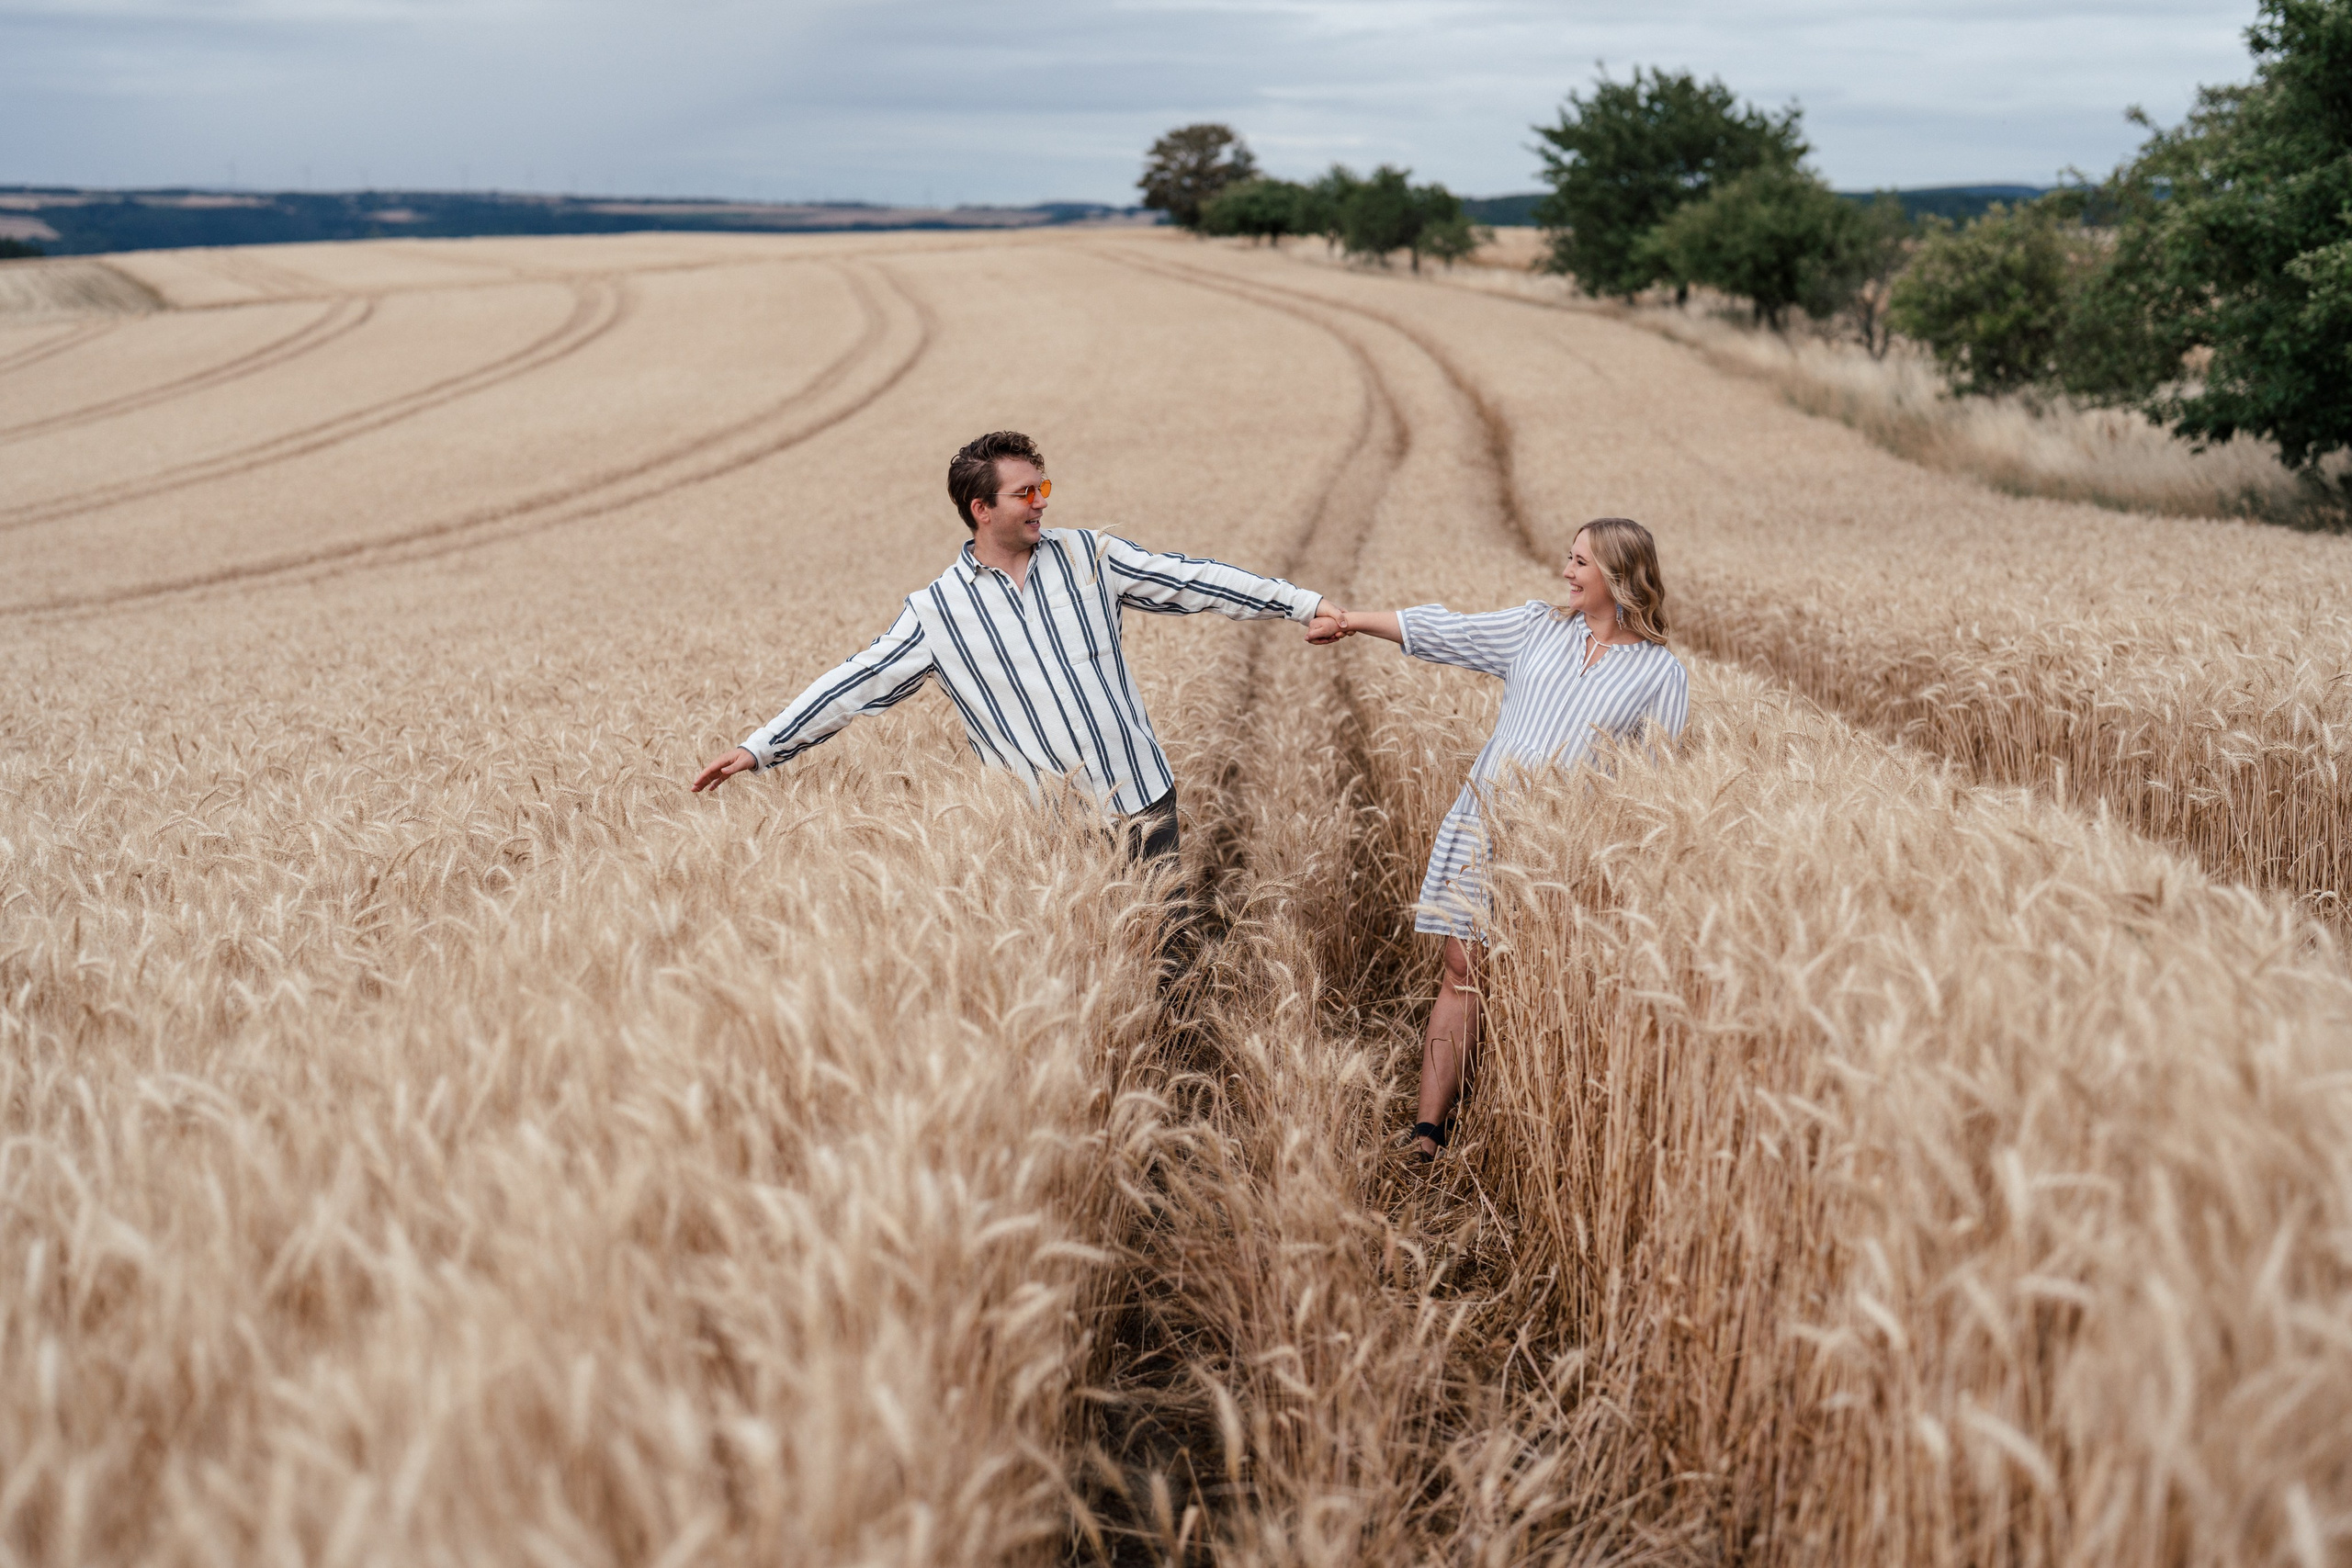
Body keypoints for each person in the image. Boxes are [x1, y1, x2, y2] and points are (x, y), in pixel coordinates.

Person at [691, 430, 1347, 873]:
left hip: (1144, 801)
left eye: (1043, 489)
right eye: (1024, 493)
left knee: (1167, 959)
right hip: (1049, 832)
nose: (1040, 504)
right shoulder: (937, 611)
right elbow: (854, 683)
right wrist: (760, 745)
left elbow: (1196, 580)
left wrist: (1302, 603)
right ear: (981, 508)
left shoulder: (1092, 556)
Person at [1321, 518, 1688, 1159]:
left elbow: (1655, 780)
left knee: (1542, 979)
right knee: (1462, 971)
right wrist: (1352, 619)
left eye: (1580, 563)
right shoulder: (1535, 628)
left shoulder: (1661, 673)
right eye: (1569, 559)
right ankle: (1428, 1130)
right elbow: (1446, 630)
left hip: (1564, 849)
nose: (1567, 572)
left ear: (1619, 575)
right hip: (1486, 821)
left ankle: (1527, 1134)